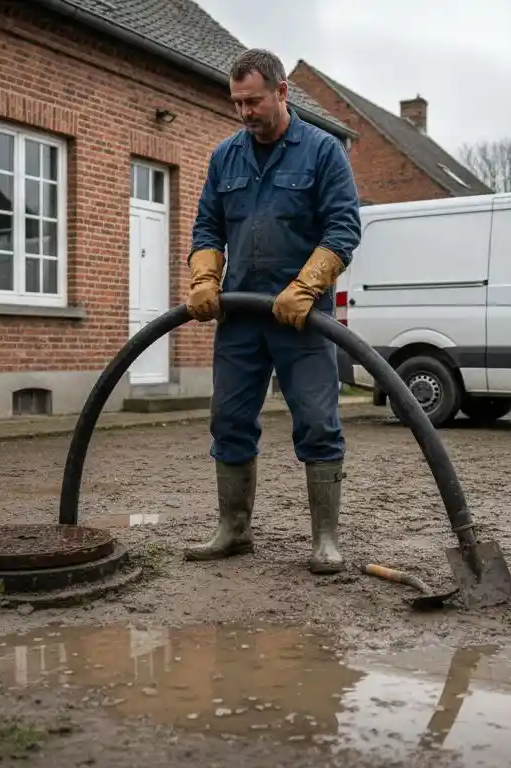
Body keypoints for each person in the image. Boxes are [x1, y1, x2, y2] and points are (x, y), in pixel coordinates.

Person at [182, 48, 361, 575]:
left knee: (318, 421)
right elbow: (208, 226)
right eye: (237, 103)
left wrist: (306, 287)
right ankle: (234, 530)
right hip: (240, 316)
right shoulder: (225, 157)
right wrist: (204, 279)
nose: (245, 113)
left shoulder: (324, 152)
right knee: (229, 418)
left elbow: (344, 228)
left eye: (253, 101)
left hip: (301, 317)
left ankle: (325, 539)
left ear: (282, 92)